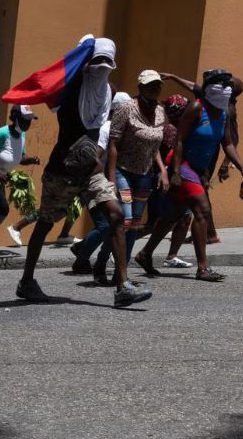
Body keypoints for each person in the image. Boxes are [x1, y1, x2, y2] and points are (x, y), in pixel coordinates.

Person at [13, 37, 153, 307]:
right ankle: (27, 281)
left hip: (91, 171)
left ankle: (123, 285)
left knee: (116, 214)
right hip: (63, 170)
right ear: (87, 64)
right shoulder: (70, 88)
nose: (101, 68)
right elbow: (51, 94)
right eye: (96, 62)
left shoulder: (109, 92)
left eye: (107, 63)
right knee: (45, 223)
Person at [135, 69, 243, 281]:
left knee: (174, 214)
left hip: (199, 170)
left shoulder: (224, 113)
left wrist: (242, 167)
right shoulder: (197, 108)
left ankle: (145, 253)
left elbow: (227, 143)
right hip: (183, 165)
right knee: (202, 210)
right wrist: (177, 172)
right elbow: (179, 139)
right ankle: (203, 268)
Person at [94, 70, 169, 280]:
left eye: (158, 85)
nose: (155, 88)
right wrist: (111, 179)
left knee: (134, 225)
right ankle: (104, 265)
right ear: (141, 88)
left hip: (145, 174)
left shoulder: (161, 112)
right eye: (150, 85)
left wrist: (162, 170)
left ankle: (119, 272)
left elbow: (155, 147)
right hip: (123, 172)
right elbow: (114, 144)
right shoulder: (127, 109)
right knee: (124, 220)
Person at [69, 92, 131, 278]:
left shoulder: (126, 129)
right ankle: (81, 260)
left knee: (124, 222)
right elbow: (96, 156)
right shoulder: (107, 129)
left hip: (124, 185)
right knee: (104, 226)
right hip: (97, 183)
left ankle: (91, 254)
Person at [0, 106, 41, 255]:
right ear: (16, 119)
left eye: (30, 120)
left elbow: (19, 158)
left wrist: (30, 160)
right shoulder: (2, 133)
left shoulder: (21, 136)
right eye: (26, 120)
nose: (28, 124)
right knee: (2, 208)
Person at [143, 94, 194, 269]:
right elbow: (171, 156)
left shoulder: (175, 128)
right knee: (156, 222)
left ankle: (171, 256)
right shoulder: (172, 130)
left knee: (183, 218)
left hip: (173, 178)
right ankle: (116, 247)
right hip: (168, 180)